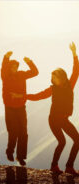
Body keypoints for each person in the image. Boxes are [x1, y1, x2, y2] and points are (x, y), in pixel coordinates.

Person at [27, 42, 79, 175]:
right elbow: (39, 96)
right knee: (62, 142)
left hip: (63, 119)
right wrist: (23, 96)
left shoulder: (69, 85)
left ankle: (68, 167)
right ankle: (54, 166)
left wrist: (74, 53)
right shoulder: (53, 89)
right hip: (54, 120)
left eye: (55, 77)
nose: (53, 79)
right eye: (52, 77)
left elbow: (76, 70)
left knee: (77, 140)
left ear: (62, 77)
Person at [1, 51, 39, 166]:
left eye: (16, 66)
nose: (14, 68)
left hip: (21, 107)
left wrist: (29, 62)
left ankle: (21, 157)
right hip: (10, 108)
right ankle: (10, 151)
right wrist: (6, 57)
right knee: (13, 132)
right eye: (12, 66)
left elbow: (35, 72)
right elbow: (3, 68)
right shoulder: (5, 76)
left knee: (23, 132)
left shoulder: (22, 74)